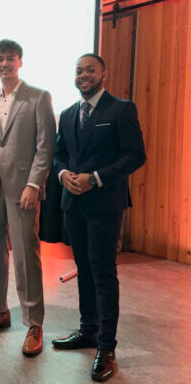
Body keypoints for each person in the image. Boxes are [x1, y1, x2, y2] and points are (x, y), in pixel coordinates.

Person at [52, 54, 146, 381]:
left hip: (105, 204)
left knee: (104, 275)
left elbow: (135, 155)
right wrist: (63, 173)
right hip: (73, 206)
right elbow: (59, 155)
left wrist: (94, 178)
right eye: (79, 70)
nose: (84, 75)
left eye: (90, 69)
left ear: (104, 72)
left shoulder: (121, 109)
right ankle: (88, 331)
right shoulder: (66, 115)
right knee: (85, 272)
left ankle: (106, 347)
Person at [0, 39, 56, 356]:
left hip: (23, 191)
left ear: (20, 61)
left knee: (25, 257)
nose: (4, 64)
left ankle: (34, 324)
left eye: (10, 58)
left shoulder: (38, 98)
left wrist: (34, 184)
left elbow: (45, 147)